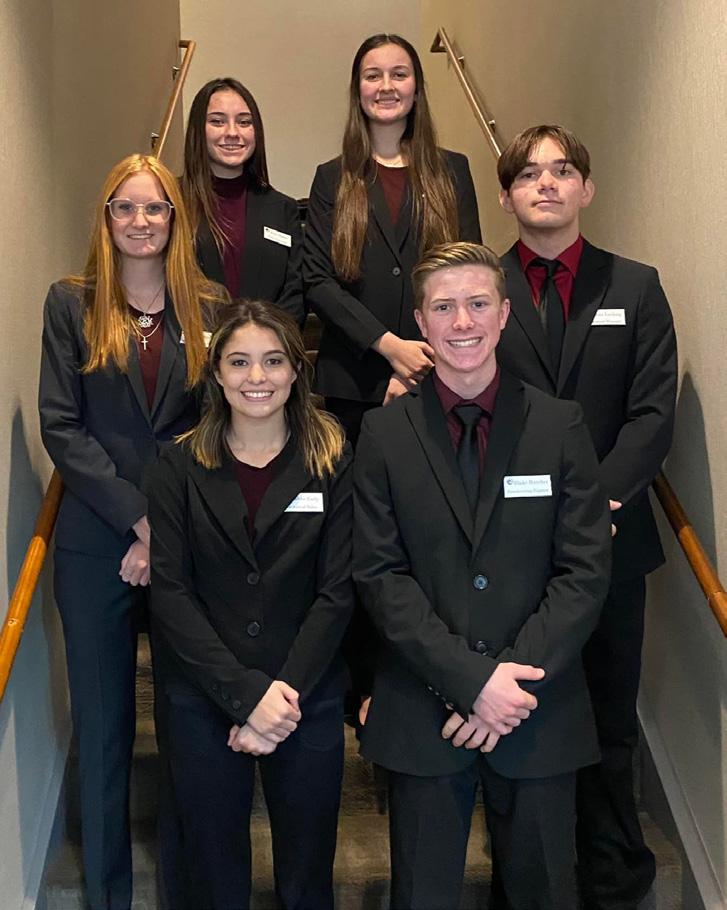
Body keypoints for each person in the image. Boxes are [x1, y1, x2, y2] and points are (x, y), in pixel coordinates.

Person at [354, 241, 612, 910]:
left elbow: (583, 572)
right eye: (443, 308)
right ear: (420, 321)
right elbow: (380, 575)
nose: (462, 322)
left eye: (476, 304)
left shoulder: (560, 425)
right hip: (424, 713)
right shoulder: (383, 435)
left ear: (503, 314)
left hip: (537, 711)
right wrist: (469, 682)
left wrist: (507, 687)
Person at [38, 153, 229, 910]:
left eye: (155, 208)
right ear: (107, 217)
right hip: (94, 544)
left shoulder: (209, 306)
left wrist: (164, 526)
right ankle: (108, 897)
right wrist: (135, 516)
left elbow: (218, 426)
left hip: (185, 545)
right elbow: (62, 426)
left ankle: (186, 890)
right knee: (104, 729)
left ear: (176, 219)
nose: (140, 221)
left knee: (188, 726)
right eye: (126, 207)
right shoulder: (71, 303)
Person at [495, 125, 677, 910]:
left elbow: (651, 414)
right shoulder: (482, 290)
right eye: (527, 174)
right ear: (505, 197)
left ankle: (611, 877)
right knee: (524, 713)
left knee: (608, 713)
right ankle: (526, 878)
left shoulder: (635, 287)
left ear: (585, 189)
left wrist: (593, 504)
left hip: (612, 541)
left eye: (561, 170)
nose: (546, 183)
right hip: (508, 547)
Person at [147, 301, 353, 910]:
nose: (256, 377)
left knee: (308, 876)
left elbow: (339, 591)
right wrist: (244, 697)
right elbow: (171, 593)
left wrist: (281, 696)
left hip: (304, 693)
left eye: (273, 361)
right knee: (213, 876)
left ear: (295, 371)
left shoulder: (334, 461)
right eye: (238, 362)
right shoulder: (176, 466)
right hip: (204, 695)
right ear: (215, 373)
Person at [304, 32, 482, 446]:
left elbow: (469, 274)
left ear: (417, 89)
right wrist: (389, 348)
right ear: (358, 91)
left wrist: (417, 360)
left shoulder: (453, 171)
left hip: (439, 370)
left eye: (399, 74)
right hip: (354, 380)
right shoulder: (331, 177)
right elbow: (317, 281)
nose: (386, 86)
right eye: (373, 76)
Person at [182, 77, 304, 326]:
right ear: (198, 130)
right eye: (217, 121)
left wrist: (261, 341)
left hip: (266, 347)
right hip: (191, 346)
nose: (232, 132)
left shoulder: (283, 209)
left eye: (244, 122)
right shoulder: (170, 202)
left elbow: (295, 293)